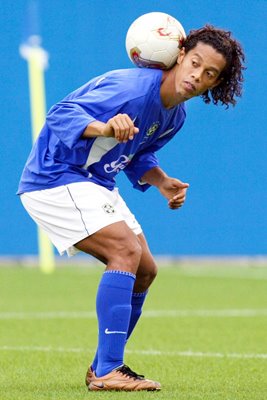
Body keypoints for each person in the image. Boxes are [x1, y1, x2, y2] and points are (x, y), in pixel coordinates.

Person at [18, 24, 245, 391]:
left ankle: (101, 368)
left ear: (215, 85)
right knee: (125, 249)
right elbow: (60, 114)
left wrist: (161, 181)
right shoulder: (132, 89)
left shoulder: (176, 116)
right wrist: (104, 127)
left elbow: (137, 152)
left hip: (95, 182)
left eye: (210, 74)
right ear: (180, 54)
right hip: (57, 177)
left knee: (145, 269)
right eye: (195, 63)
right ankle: (110, 369)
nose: (197, 76)